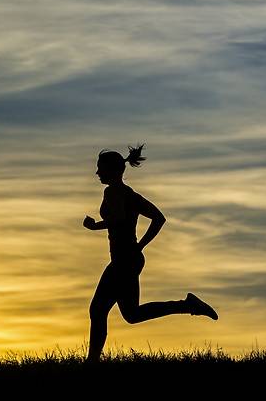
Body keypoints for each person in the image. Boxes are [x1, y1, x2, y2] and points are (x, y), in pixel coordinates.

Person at [83, 143, 218, 363]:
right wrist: (140, 246)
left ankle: (92, 363)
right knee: (131, 315)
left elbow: (119, 220)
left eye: (100, 168)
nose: (97, 173)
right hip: (129, 259)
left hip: (124, 261)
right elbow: (158, 218)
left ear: (113, 170)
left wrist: (94, 226)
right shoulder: (130, 194)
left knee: (98, 310)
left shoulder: (114, 192)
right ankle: (188, 305)